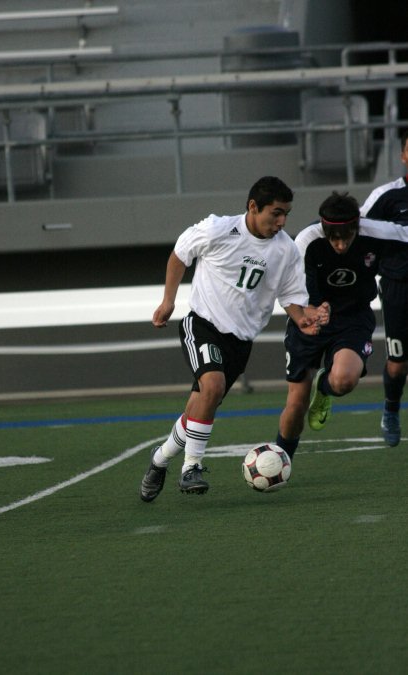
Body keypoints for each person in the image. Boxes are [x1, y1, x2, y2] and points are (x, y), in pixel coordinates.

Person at [140, 176, 330, 502]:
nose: (282, 221)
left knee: (197, 409)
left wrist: (305, 319)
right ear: (253, 207)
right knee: (211, 387)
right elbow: (179, 255)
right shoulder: (218, 229)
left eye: (286, 213)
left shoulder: (285, 249)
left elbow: (290, 297)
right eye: (275, 213)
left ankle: (159, 460)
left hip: (240, 343)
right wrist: (168, 300)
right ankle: (192, 468)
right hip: (202, 325)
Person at [276, 190, 408, 462]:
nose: (339, 244)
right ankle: (281, 461)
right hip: (308, 318)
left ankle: (325, 388)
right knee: (296, 404)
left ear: (356, 228)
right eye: (333, 238)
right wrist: (310, 310)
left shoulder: (377, 232)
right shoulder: (305, 241)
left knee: (344, 380)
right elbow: (287, 288)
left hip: (353, 319)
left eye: (346, 237)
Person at [360, 129, 408, 446]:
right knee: (398, 362)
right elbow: (358, 233)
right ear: (404, 155)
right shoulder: (386, 196)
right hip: (398, 289)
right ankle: (390, 410)